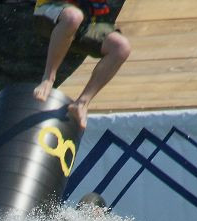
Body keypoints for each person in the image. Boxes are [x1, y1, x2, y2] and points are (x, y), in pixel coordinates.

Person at [32, 0, 131, 129]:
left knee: (121, 47)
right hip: (49, 11)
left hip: (87, 22)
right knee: (73, 17)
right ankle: (48, 78)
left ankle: (82, 103)